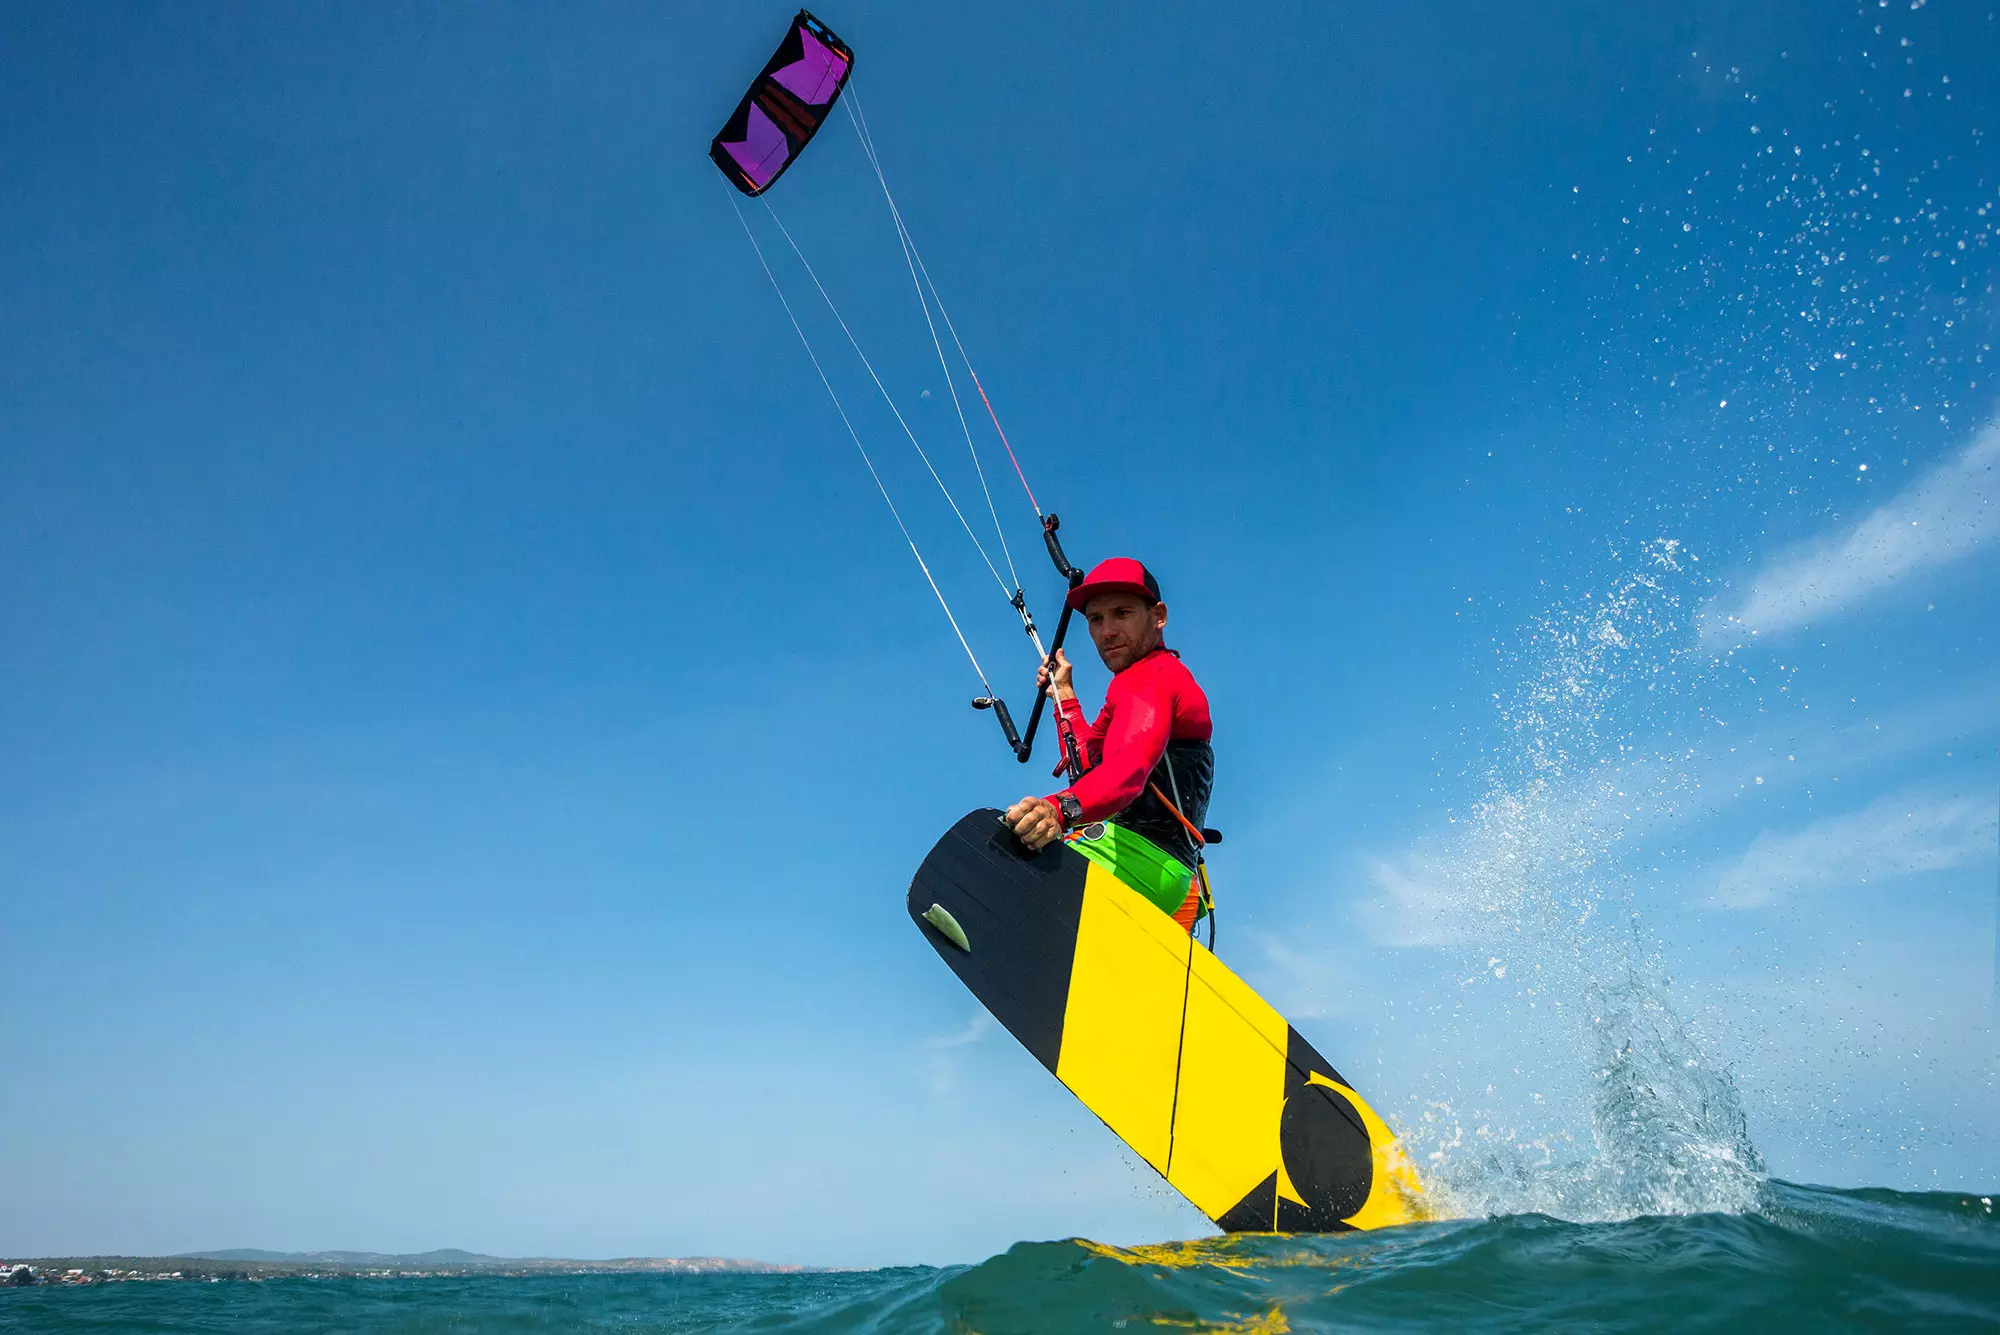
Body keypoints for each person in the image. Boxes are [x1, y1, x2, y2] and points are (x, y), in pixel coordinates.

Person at [1004, 558, 1214, 930]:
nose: (1107, 631)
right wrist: (1064, 694)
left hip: (1137, 862)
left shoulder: (1153, 678)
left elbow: (1126, 772)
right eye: (1095, 620)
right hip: (1178, 885)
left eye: (1121, 613)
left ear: (1158, 616)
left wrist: (1057, 810)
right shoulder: (1135, 685)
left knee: (1004, 868)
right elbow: (1088, 765)